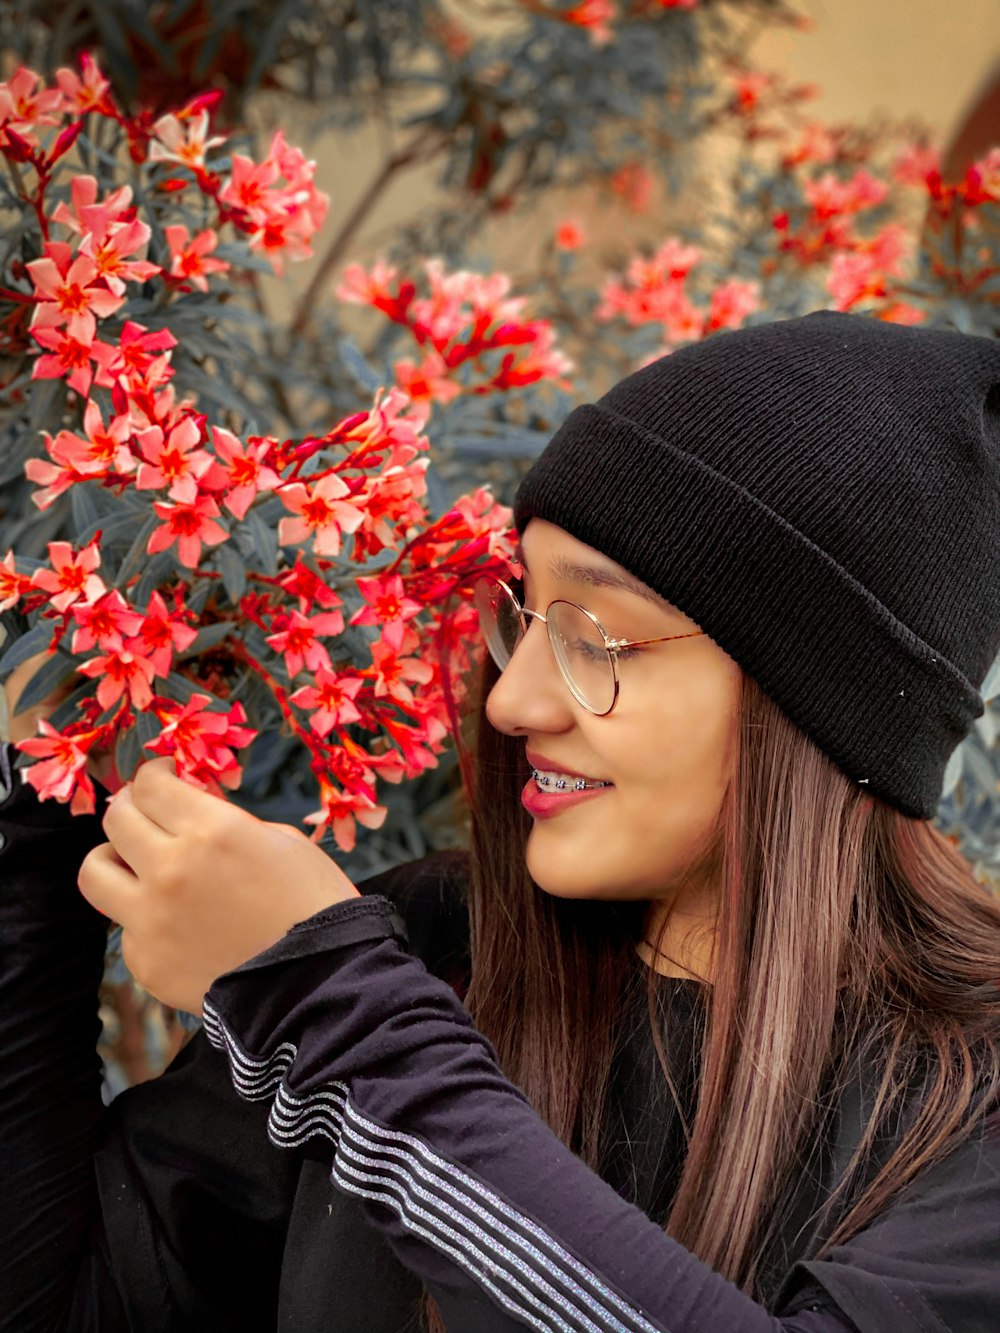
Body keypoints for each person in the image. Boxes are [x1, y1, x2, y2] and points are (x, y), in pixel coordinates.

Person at [2, 309, 999, 1333]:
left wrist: (336, 1016)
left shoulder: (974, 1104)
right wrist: (42, 806)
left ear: (817, 707)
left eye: (600, 638)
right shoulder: (429, 943)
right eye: (522, 615)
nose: (511, 701)